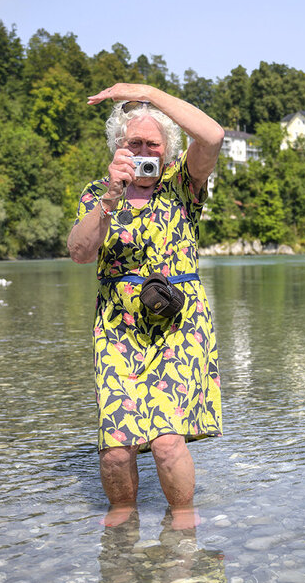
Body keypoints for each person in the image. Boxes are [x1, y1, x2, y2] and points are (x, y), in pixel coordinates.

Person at [68, 84, 224, 528]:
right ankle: (122, 529)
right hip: (117, 327)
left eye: (152, 144)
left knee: (166, 442)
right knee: (115, 449)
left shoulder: (181, 184)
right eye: (133, 143)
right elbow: (79, 252)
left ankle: (183, 526)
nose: (142, 152)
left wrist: (147, 94)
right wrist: (109, 199)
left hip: (178, 325)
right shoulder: (98, 193)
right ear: (118, 147)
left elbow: (212, 136)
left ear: (166, 149)